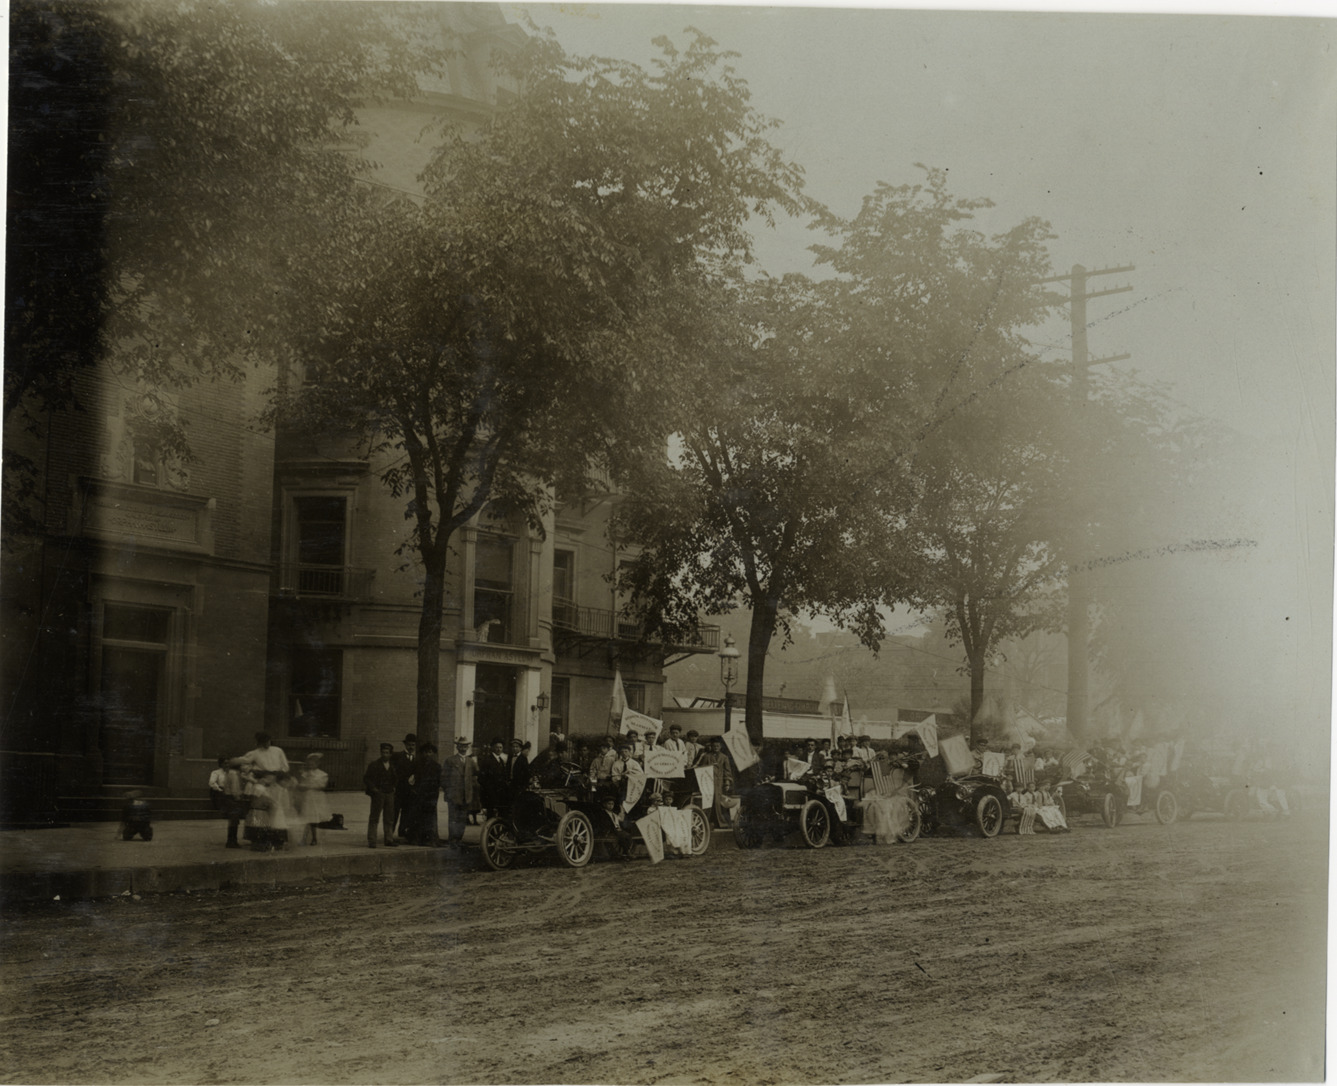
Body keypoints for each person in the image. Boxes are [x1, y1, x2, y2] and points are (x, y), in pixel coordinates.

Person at [363, 742, 399, 848]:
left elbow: (396, 778)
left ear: (390, 754)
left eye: (387, 753)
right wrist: (374, 789)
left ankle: (389, 839)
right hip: (378, 794)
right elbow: (366, 778)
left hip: (389, 794)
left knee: (389, 818)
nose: (384, 755)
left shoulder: (393, 766)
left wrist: (394, 787)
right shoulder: (374, 765)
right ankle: (372, 840)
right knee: (374, 817)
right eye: (383, 752)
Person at [442, 737, 476, 846]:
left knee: (462, 818)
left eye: (465, 746)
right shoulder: (450, 760)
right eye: (461, 746)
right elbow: (444, 778)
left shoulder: (471, 761)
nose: (463, 748)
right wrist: (448, 791)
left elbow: (475, 775)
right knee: (453, 818)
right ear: (457, 747)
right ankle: (452, 839)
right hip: (454, 795)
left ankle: (459, 839)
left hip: (466, 795)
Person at [407, 742, 443, 845]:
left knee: (429, 818)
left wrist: (434, 795)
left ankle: (429, 839)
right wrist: (414, 789)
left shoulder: (437, 767)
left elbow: (439, 782)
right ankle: (416, 838)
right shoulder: (417, 765)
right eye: (425, 752)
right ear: (422, 753)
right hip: (419, 795)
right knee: (417, 817)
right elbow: (410, 779)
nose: (427, 754)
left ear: (433, 753)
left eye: (430, 752)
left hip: (431, 796)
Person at [294, 752, 332, 846]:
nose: (311, 766)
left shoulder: (322, 774)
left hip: (317, 798)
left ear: (318, 764)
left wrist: (309, 785)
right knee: (308, 819)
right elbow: (301, 785)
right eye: (309, 764)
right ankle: (307, 839)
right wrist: (302, 785)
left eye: (313, 763)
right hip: (307, 798)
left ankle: (312, 838)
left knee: (313, 819)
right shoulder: (305, 774)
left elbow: (321, 786)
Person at [392, 733, 417, 841]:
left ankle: (402, 832)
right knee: (394, 812)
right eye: (409, 744)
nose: (411, 747)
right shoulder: (397, 756)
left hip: (410, 791)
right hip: (398, 790)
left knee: (407, 812)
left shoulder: (417, 759)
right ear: (405, 745)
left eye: (413, 745)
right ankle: (389, 833)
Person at [477, 740, 511, 818]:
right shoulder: (487, 760)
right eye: (497, 747)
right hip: (490, 793)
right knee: (491, 815)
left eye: (500, 747)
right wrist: (489, 789)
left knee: (500, 815)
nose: (499, 749)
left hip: (500, 793)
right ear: (493, 748)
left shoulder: (501, 760)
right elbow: (482, 778)